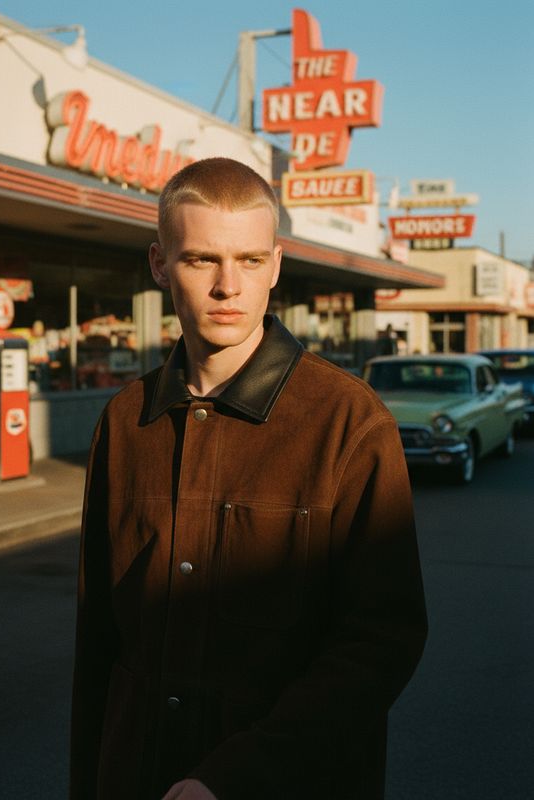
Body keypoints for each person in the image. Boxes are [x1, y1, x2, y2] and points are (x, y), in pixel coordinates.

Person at [70, 157, 427, 800]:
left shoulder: (348, 421)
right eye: (202, 259)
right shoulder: (124, 421)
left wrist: (234, 777)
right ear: (158, 264)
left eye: (251, 261)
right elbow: (99, 642)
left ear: (277, 265)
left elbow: (380, 645)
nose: (228, 286)